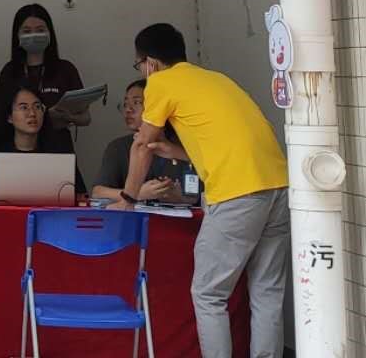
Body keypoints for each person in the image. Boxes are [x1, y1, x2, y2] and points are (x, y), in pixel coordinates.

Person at [122, 24, 289, 358]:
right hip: (278, 186)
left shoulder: (161, 82)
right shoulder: (215, 79)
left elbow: (141, 144)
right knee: (267, 291)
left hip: (237, 193)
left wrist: (128, 198)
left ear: (150, 63)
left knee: (209, 294)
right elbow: (222, 143)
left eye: (139, 65)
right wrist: (174, 151)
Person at [0, 3, 89, 158]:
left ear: (50, 33)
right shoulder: (10, 71)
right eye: (27, 31)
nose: (34, 35)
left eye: (40, 30)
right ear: (17, 36)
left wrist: (66, 117)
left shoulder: (65, 69)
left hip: (58, 150)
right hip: (17, 151)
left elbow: (86, 118)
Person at [91, 79, 198, 205]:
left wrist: (180, 198)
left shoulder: (185, 145)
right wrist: (136, 193)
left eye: (137, 102)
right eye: (125, 104)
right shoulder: (118, 147)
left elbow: (201, 195)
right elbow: (97, 192)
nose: (128, 110)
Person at [0, 84, 83, 199]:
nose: (32, 113)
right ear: (9, 117)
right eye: (24, 107)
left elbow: (80, 195)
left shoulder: (60, 150)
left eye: (37, 107)